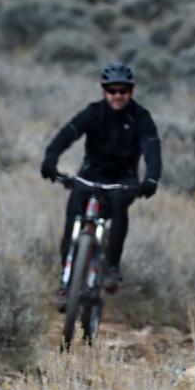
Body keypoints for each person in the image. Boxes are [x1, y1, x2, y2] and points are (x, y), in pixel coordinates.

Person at [40, 61, 161, 297]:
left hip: (122, 180)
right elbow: (67, 134)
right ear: (104, 90)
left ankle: (112, 268)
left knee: (118, 207)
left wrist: (152, 178)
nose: (117, 96)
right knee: (72, 218)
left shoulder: (141, 117)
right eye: (112, 90)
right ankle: (66, 281)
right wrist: (50, 159)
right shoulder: (93, 112)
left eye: (122, 91)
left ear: (131, 91)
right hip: (90, 176)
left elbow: (152, 149)